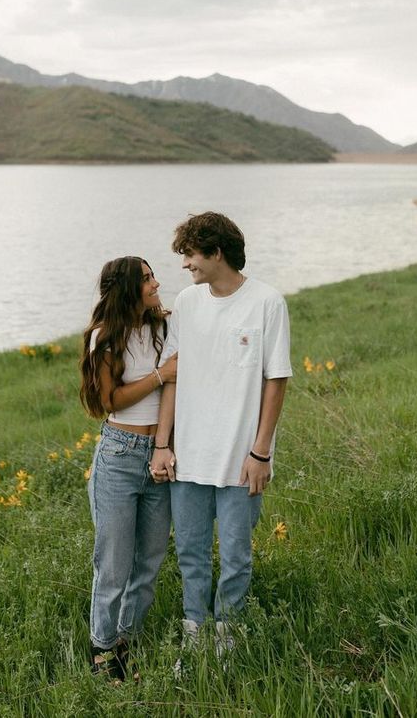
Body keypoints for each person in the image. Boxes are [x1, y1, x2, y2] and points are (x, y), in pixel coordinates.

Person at [150, 212, 291, 655]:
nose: (185, 264)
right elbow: (173, 376)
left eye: (191, 254)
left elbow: (276, 379)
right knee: (190, 554)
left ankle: (229, 639)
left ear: (216, 252)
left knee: (236, 558)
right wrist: (163, 445)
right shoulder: (188, 304)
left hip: (241, 459)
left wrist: (261, 452)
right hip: (189, 456)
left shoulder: (267, 302)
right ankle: (195, 633)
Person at [79, 255, 178, 680]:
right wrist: (160, 375)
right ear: (126, 290)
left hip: (160, 450)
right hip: (119, 455)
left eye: (154, 276)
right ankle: (102, 649)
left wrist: (164, 445)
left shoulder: (164, 326)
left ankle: (126, 641)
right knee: (114, 564)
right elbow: (108, 401)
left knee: (150, 561)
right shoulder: (105, 336)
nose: (156, 284)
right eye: (147, 279)